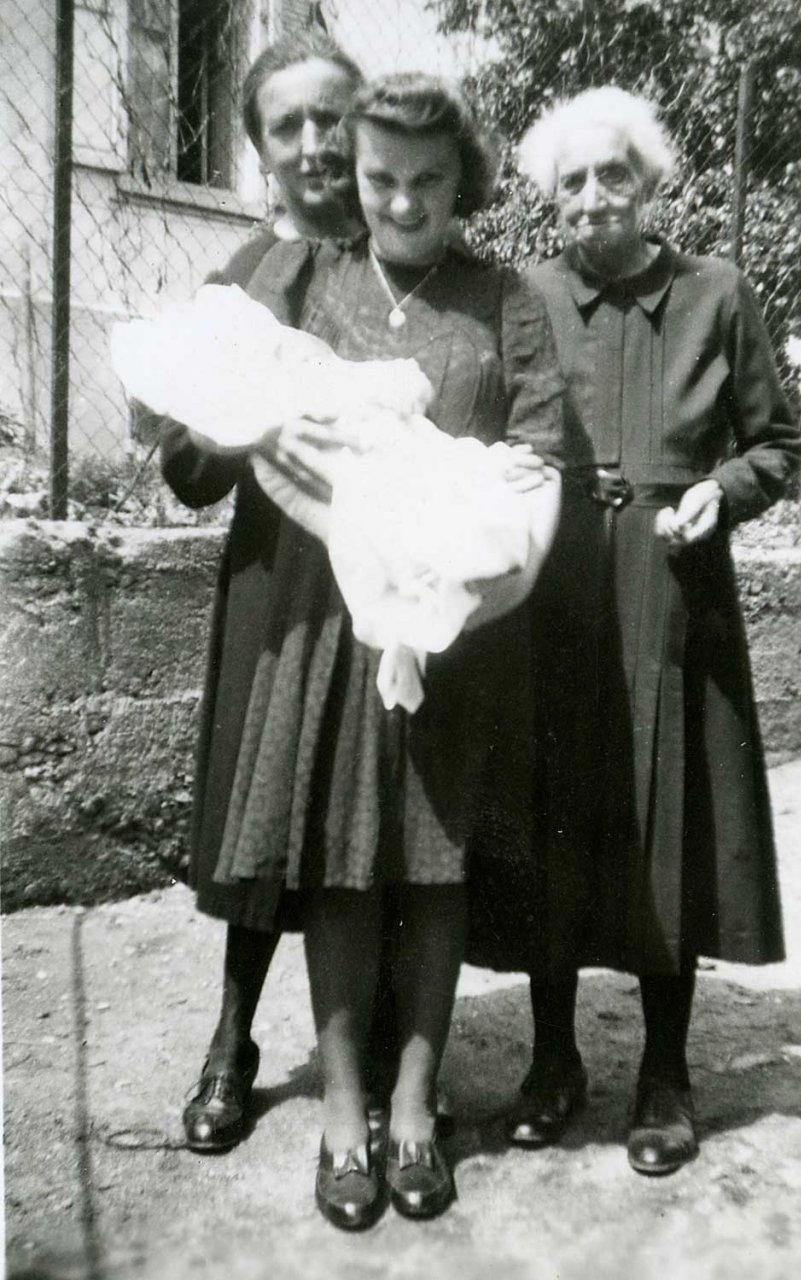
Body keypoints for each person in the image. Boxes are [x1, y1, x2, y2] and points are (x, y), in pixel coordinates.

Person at [163, 71, 564, 1228]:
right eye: (380, 177)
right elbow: (214, 405)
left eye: (427, 180)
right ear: (356, 170)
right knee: (338, 865)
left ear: (462, 182)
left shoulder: (505, 299)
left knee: (432, 866)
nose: (400, 201)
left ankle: (415, 1105)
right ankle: (345, 1112)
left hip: (455, 624)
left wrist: (481, 572)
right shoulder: (303, 277)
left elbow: (539, 456)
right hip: (329, 623)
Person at [503, 86, 801, 1174]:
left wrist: (720, 487)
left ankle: (665, 1073)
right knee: (553, 814)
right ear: (551, 197)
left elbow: (776, 443)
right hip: (556, 585)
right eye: (571, 181)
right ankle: (553, 1060)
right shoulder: (529, 295)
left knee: (671, 819)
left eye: (612, 173)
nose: (592, 197)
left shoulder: (716, 292)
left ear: (649, 181)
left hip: (676, 586)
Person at [159, 33, 369, 1157]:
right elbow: (187, 474)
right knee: (261, 805)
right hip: (276, 578)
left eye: (332, 117)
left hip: (390, 571)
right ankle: (231, 1039)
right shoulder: (237, 282)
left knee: (374, 809)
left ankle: (374, 1048)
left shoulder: (411, 257)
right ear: (258, 149)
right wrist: (231, 419)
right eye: (287, 125)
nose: (314, 143)